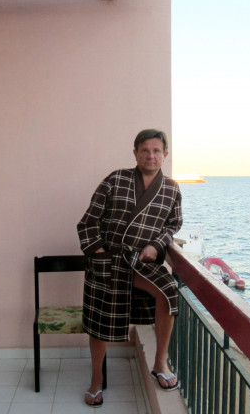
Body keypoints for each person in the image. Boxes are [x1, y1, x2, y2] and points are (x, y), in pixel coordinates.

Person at [77, 129, 183, 407]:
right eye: (145, 150)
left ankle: (160, 363)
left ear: (165, 155)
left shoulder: (171, 188)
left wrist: (157, 245)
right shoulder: (115, 179)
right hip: (108, 260)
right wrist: (99, 253)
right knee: (99, 322)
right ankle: (96, 380)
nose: (151, 156)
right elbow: (88, 221)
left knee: (169, 291)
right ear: (135, 153)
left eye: (156, 151)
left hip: (140, 261)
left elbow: (173, 225)